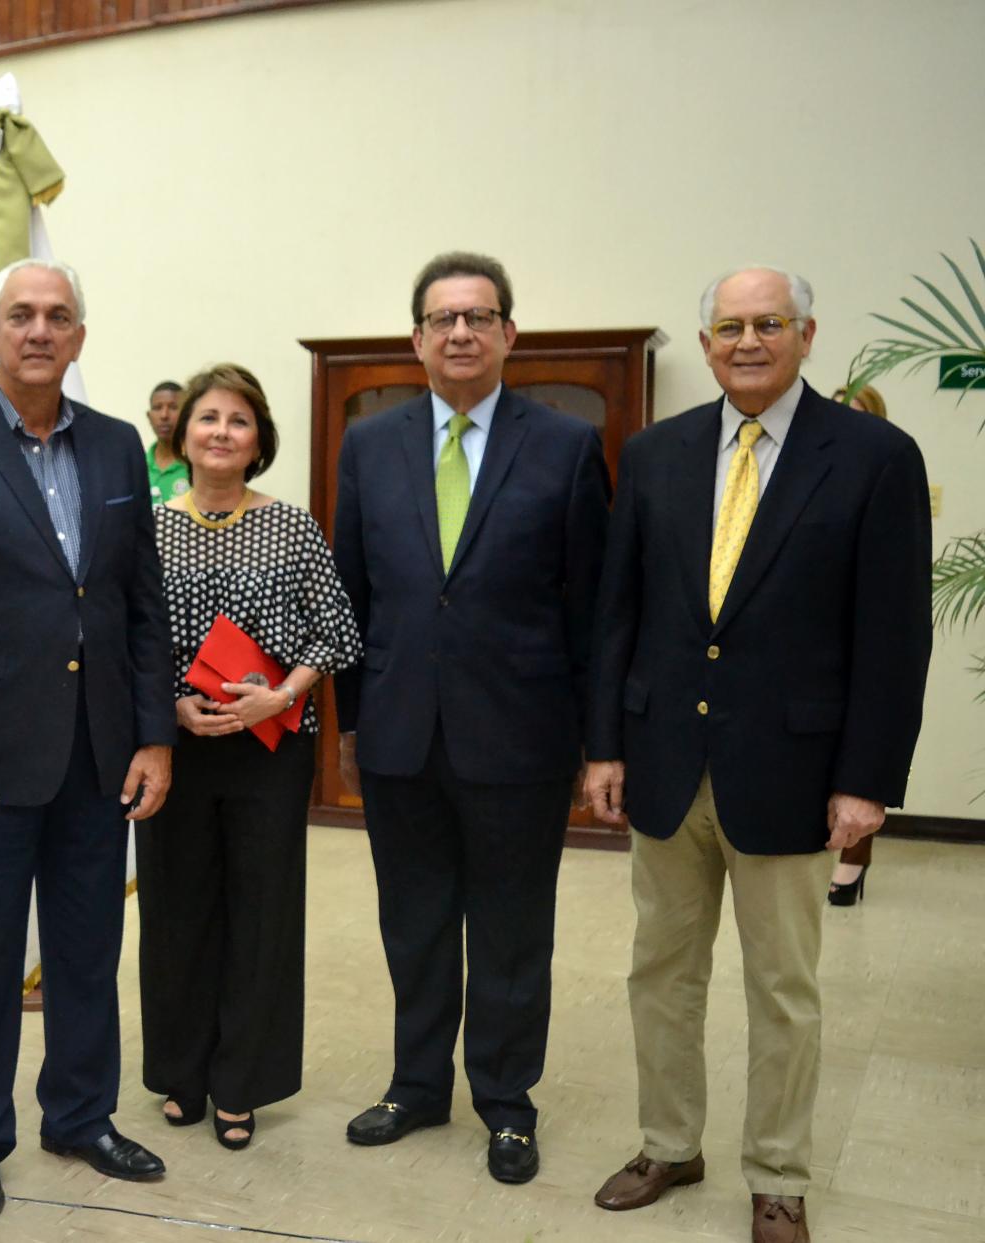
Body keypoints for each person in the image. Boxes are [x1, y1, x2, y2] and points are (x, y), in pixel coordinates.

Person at [584, 269, 931, 1243]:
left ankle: (776, 1171)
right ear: (703, 345)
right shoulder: (653, 454)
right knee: (659, 970)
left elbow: (893, 635)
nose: (745, 340)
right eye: (727, 326)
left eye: (765, 323)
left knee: (781, 986)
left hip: (790, 771)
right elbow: (620, 612)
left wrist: (865, 779)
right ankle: (667, 1141)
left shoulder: (870, 456)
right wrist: (602, 744)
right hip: (662, 762)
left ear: (804, 334)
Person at [0, 257, 175, 1220]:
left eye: (58, 317)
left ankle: (81, 1115)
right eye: (22, 315)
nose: (40, 331)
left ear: (79, 337)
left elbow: (141, 603)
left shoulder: (119, 445)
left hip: (101, 755)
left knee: (90, 948)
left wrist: (152, 735)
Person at [331, 251, 610, 1185]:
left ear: (509, 335)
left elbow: (591, 607)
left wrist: (591, 741)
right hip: (402, 734)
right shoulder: (369, 444)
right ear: (416, 339)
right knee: (412, 922)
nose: (461, 333)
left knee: (511, 927)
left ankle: (505, 1099)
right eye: (443, 319)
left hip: (521, 738)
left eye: (479, 317)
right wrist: (354, 725)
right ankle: (417, 1085)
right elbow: (353, 594)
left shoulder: (565, 446)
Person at [135, 363, 361, 1151]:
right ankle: (182, 1071)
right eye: (208, 419)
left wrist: (283, 695)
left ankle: (241, 1081)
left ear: (258, 438)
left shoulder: (293, 525)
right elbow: (132, 639)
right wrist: (170, 704)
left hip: (269, 746)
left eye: (238, 420)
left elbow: (336, 629)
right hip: (178, 748)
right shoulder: (150, 525)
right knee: (176, 909)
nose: (221, 432)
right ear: (181, 433)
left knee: (261, 915)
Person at [826, 382, 888, 905]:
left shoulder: (888, 468)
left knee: (859, 760)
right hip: (814, 658)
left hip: (863, 647)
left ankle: (855, 860)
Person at [144, 379, 188, 504]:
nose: (164, 415)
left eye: (173, 407)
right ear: (149, 416)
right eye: (157, 408)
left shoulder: (197, 466)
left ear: (187, 415)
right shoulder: (138, 466)